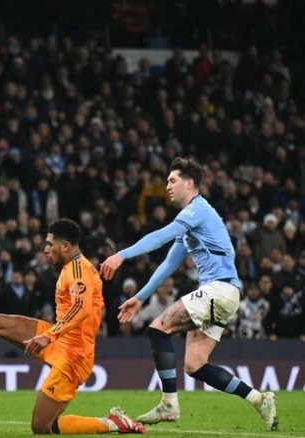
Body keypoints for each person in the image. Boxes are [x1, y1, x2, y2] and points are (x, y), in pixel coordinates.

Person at [0, 219, 146, 435]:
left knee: (42, 426)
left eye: (50, 244)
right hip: (60, 339)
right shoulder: (70, 268)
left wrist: (48, 335)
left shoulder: (79, 270)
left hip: (74, 356)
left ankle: (112, 423)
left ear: (66, 246)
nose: (45, 249)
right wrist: (51, 335)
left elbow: (81, 308)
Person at [99, 157, 278, 430]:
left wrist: (121, 255)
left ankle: (169, 405)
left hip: (218, 290)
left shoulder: (197, 210)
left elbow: (160, 236)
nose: (167, 186)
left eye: (172, 180)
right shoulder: (191, 223)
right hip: (225, 293)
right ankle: (259, 399)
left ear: (190, 183)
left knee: (158, 329)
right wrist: (141, 297)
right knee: (195, 365)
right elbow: (169, 264)